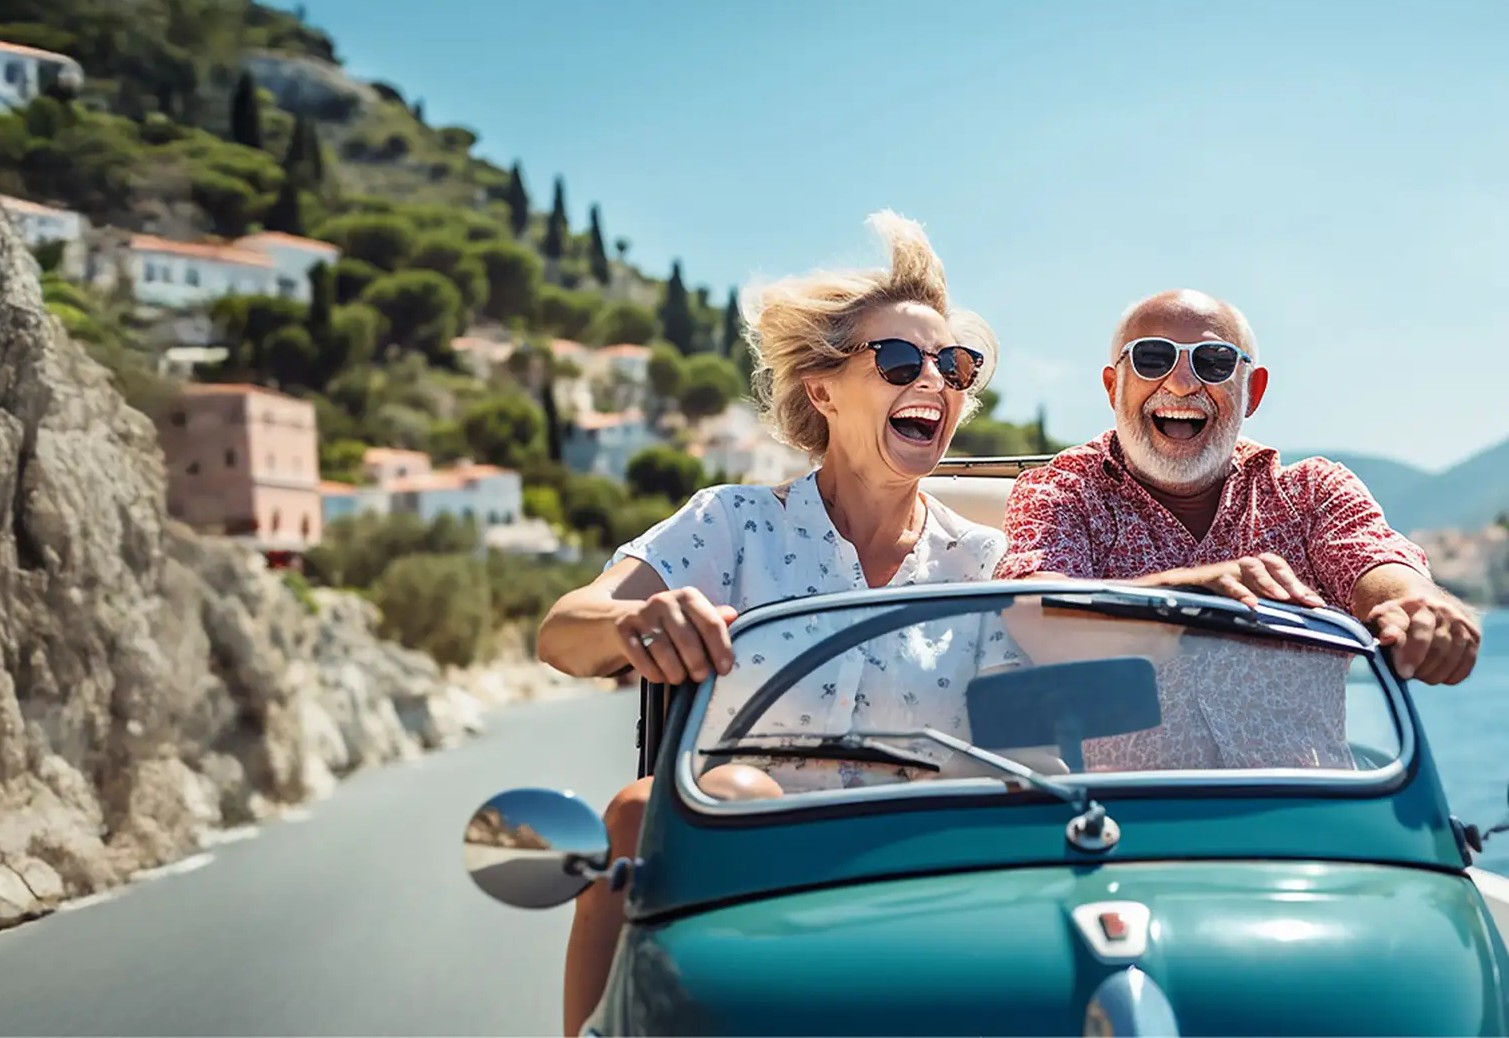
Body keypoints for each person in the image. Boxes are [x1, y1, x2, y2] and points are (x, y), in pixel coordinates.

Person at [536, 211, 1006, 1037]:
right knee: (644, 812)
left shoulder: (990, 564)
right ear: (822, 390)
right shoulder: (732, 524)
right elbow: (565, 632)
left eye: (955, 366)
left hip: (927, 891)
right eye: (899, 360)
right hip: (737, 889)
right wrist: (638, 619)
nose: (934, 380)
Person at [994, 289, 1480, 767]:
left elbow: (1382, 566)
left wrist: (1420, 606)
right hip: (1126, 830)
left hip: (1310, 823)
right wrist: (1179, 599)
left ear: (1254, 391)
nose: (1181, 383)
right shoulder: (1061, 492)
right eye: (1153, 358)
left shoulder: (1310, 493)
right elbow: (1032, 615)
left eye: (1214, 362)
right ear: (1112, 386)